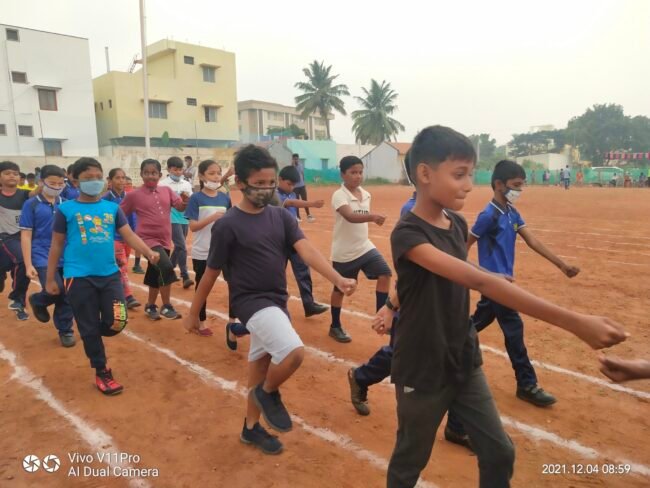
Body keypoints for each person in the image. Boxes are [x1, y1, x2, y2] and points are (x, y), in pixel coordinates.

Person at [377, 125, 627, 488]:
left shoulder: (455, 222)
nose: (468, 185)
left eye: (470, 174)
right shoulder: (408, 233)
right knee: (409, 461)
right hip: (423, 365)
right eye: (459, 175)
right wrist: (576, 322)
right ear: (425, 174)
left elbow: (461, 266)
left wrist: (486, 271)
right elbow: (475, 282)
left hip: (463, 356)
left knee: (499, 452)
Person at [184, 145, 357, 455]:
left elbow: (307, 251)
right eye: (259, 183)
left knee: (260, 366)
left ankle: (250, 428)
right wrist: (193, 313)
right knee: (293, 352)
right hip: (250, 302)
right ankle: (267, 393)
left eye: (271, 183)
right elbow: (210, 273)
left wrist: (338, 278)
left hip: (277, 299)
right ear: (240, 183)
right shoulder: (227, 224)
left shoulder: (281, 217)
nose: (266, 189)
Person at [46, 157, 160, 395]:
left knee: (118, 320)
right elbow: (56, 244)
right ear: (75, 180)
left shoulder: (112, 209)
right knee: (89, 328)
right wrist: (49, 278)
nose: (94, 181)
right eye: (88, 178)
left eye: (98, 177)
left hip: (109, 275)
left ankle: (90, 331)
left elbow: (129, 235)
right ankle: (102, 371)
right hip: (78, 277)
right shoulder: (65, 210)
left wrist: (148, 252)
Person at [348, 150, 415, 416]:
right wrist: (390, 307)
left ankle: (456, 425)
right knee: (403, 352)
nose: (466, 184)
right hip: (415, 298)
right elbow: (411, 270)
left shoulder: (449, 215)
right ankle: (361, 377)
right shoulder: (413, 212)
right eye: (457, 175)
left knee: (457, 357)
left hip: (441, 301)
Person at [329, 156, 391, 343]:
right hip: (345, 253)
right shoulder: (339, 195)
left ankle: (381, 317)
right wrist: (373, 217)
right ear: (343, 174)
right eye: (353, 172)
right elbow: (349, 216)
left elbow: (360, 216)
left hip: (364, 246)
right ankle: (335, 326)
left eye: (360, 172)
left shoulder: (366, 194)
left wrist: (371, 217)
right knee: (340, 290)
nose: (358, 176)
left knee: (385, 274)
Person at [120, 159, 188, 320]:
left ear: (160, 174)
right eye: (146, 173)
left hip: (165, 239)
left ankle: (150, 305)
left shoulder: (167, 190)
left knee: (155, 271)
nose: (150, 176)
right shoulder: (133, 195)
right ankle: (166, 306)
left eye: (154, 173)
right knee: (165, 266)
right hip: (146, 240)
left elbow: (180, 207)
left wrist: (185, 201)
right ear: (141, 174)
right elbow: (119, 214)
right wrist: (124, 234)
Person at [20, 165, 76, 347]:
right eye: (52, 183)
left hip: (66, 255)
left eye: (61, 183)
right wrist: (28, 264)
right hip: (42, 254)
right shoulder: (31, 204)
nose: (57, 186)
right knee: (55, 288)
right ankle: (38, 300)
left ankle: (65, 329)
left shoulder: (67, 204)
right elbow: (26, 235)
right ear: (41, 182)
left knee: (68, 292)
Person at [272, 165, 329, 317]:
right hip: (279, 240)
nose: (291, 188)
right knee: (277, 273)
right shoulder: (275, 195)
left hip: (293, 238)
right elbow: (290, 204)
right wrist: (311, 204)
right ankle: (275, 305)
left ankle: (309, 304)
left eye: (293, 185)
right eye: (289, 184)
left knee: (303, 270)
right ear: (280, 179)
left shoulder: (290, 194)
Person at [184, 159, 232, 337]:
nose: (216, 177)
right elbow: (193, 227)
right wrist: (212, 218)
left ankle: (233, 321)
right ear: (202, 176)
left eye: (218, 173)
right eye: (211, 173)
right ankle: (201, 321)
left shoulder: (225, 198)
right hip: (203, 252)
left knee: (234, 284)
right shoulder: (196, 198)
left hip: (225, 251)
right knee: (202, 288)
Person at [102, 168, 140, 309]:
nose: (121, 181)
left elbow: (133, 217)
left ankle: (114, 292)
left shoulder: (129, 197)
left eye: (123, 178)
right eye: (117, 178)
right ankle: (128, 296)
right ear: (110, 180)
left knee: (121, 267)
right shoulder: (105, 199)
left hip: (128, 237)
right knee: (122, 266)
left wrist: (135, 234)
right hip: (114, 238)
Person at [0, 161, 31, 320]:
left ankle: (18, 302)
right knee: (20, 262)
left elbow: (38, 193)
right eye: (7, 173)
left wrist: (49, 182)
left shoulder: (25, 194)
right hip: (5, 237)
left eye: (15, 173)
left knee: (22, 265)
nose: (12, 176)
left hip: (22, 237)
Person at [159, 157, 194, 289]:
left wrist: (187, 199)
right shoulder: (162, 184)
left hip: (183, 217)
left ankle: (169, 269)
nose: (178, 172)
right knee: (182, 246)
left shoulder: (186, 184)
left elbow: (190, 199)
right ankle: (185, 276)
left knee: (179, 247)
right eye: (175, 170)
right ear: (169, 169)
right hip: (170, 218)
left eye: (180, 169)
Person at [291, 153, 314, 223]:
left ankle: (308, 215)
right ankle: (298, 217)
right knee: (297, 202)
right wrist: (293, 165)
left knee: (305, 200)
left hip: (302, 186)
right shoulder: (291, 167)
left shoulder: (301, 165)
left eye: (297, 159)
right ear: (292, 159)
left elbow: (302, 173)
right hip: (295, 187)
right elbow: (292, 173)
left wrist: (303, 182)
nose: (296, 160)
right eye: (294, 159)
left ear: (298, 159)